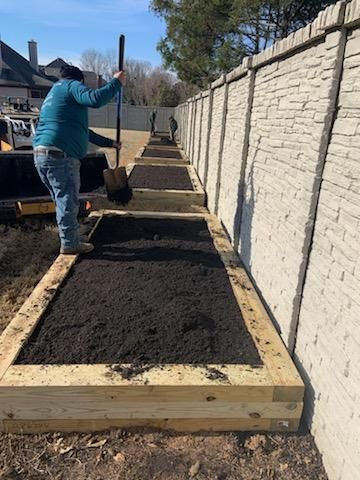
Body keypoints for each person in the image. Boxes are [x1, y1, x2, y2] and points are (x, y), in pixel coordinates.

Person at [33, 65, 126, 255]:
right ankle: (69, 244)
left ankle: (71, 237)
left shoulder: (55, 93)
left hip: (42, 155)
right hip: (61, 156)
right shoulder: (71, 86)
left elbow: (85, 132)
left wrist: (111, 143)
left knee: (62, 201)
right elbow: (95, 99)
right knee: (68, 201)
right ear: (80, 80)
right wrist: (117, 82)